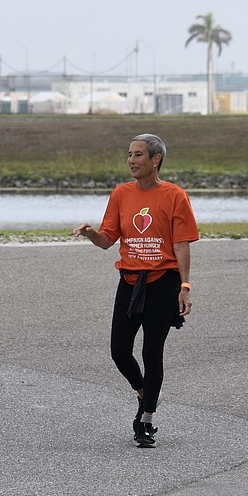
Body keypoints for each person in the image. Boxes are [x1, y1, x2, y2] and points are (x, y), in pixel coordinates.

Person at [73, 133, 198, 448]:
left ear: (155, 159)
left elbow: (181, 244)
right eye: (129, 154)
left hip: (163, 281)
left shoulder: (174, 195)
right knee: (119, 350)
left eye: (138, 155)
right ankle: (144, 392)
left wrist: (184, 286)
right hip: (130, 281)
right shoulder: (121, 194)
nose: (131, 160)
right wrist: (90, 233)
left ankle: (146, 420)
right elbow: (107, 240)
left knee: (151, 351)